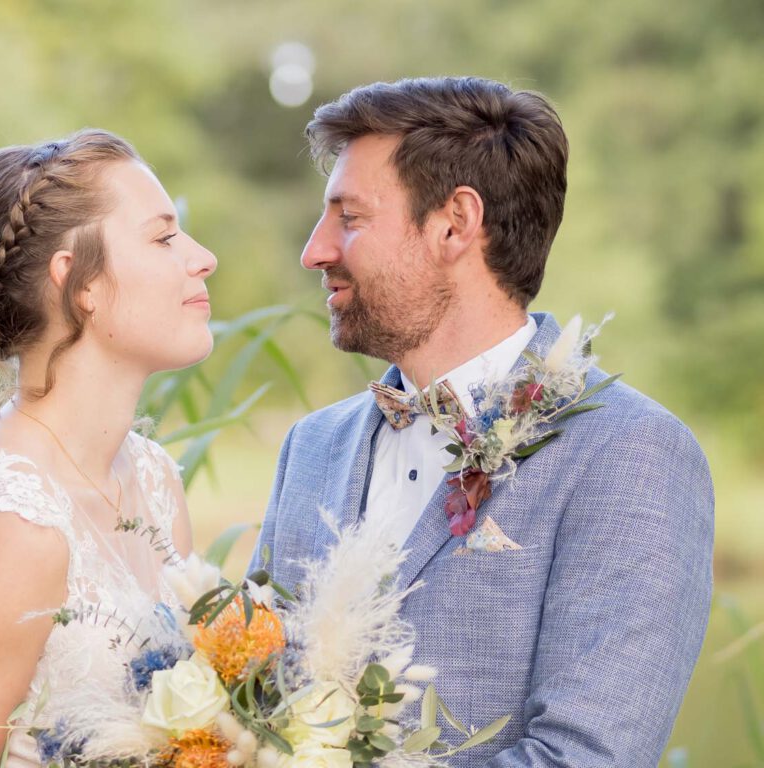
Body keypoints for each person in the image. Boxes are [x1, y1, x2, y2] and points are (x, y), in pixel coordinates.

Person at [251, 77, 713, 767]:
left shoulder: (630, 453)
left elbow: (586, 757)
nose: (314, 251)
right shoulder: (311, 447)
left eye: (349, 218)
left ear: (454, 224)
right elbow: (254, 702)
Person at [0, 130, 217, 767]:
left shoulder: (152, 478)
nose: (203, 258)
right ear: (79, 281)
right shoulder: (4, 525)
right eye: (164, 237)